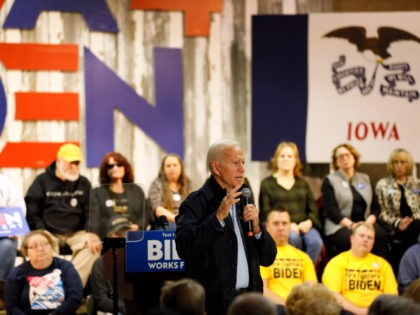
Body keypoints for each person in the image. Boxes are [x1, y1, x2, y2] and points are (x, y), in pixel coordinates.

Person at [175, 139, 277, 315]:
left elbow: (268, 258)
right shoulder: (196, 203)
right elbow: (185, 247)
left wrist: (258, 229)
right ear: (216, 167)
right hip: (215, 304)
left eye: (243, 163)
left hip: (250, 302)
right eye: (235, 162)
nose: (242, 168)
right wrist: (218, 218)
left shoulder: (245, 198)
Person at [25, 143, 102, 288]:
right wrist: (40, 231)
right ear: (59, 161)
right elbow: (32, 209)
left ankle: (69, 288)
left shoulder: (84, 183)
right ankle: (51, 291)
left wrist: (91, 231)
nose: (74, 167)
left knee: (93, 248)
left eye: (77, 163)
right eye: (70, 163)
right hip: (48, 232)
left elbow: (92, 210)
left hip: (76, 233)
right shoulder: (42, 181)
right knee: (42, 247)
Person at [259, 141, 323, 264]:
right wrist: (288, 225)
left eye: (290, 156)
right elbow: (266, 212)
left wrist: (309, 222)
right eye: (282, 156)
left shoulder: (303, 183)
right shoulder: (267, 184)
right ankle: (292, 271)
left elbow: (313, 210)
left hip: (304, 225)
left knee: (316, 242)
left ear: (295, 161)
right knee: (293, 238)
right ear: (276, 160)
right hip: (282, 226)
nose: (286, 159)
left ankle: (306, 270)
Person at [321, 143, 389, 259]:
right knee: (351, 239)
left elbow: (375, 207)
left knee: (381, 235)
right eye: (340, 156)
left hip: (366, 223)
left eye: (347, 155)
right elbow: (331, 211)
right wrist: (353, 226)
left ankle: (377, 271)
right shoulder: (330, 180)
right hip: (340, 226)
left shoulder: (365, 178)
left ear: (354, 158)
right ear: (336, 162)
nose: (345, 158)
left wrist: (367, 224)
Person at [322, 222, 398, 315]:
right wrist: (360, 312)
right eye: (361, 236)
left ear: (373, 242)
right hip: (346, 311)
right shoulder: (336, 263)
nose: (366, 240)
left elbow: (392, 296)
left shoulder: (383, 265)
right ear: (352, 239)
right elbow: (333, 296)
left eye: (369, 237)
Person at [4, 229, 83, 315]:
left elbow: (75, 298)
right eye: (34, 246)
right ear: (27, 252)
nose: (40, 249)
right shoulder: (17, 273)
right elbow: (12, 307)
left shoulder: (66, 267)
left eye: (44, 244)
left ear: (51, 247)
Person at [260, 208, 317, 310]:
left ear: (290, 227)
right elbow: (262, 290)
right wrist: (288, 308)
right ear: (267, 227)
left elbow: (311, 288)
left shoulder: (303, 257)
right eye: (276, 223)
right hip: (275, 307)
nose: (281, 228)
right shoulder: (262, 255)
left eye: (284, 223)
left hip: (300, 308)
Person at [375, 148, 420, 274]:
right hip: (393, 227)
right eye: (396, 162)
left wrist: (412, 219)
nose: (399, 166)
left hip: (415, 223)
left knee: (415, 226)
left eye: (403, 162)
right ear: (391, 164)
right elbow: (380, 212)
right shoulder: (383, 184)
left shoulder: (416, 184)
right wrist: (397, 222)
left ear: (409, 164)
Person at [89, 152, 152, 239]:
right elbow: (95, 219)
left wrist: (138, 226)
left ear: (125, 167)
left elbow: (146, 213)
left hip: (134, 235)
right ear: (105, 170)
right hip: (109, 238)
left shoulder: (137, 190)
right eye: (110, 166)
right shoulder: (97, 192)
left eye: (119, 164)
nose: (115, 168)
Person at [89, 216, 132, 315]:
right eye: (119, 234)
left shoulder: (140, 259)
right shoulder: (100, 265)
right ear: (110, 237)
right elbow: (102, 300)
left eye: (127, 234)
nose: (124, 238)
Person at [0, 173, 27, 310]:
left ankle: (2, 289)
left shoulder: (6, 182)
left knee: (8, 246)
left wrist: (14, 226)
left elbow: (18, 208)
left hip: (4, 232)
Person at [149, 154, 191, 230]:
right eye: (168, 166)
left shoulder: (188, 183)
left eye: (175, 165)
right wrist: (178, 220)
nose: (172, 168)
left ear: (181, 167)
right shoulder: (157, 184)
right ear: (163, 169)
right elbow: (158, 210)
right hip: (166, 224)